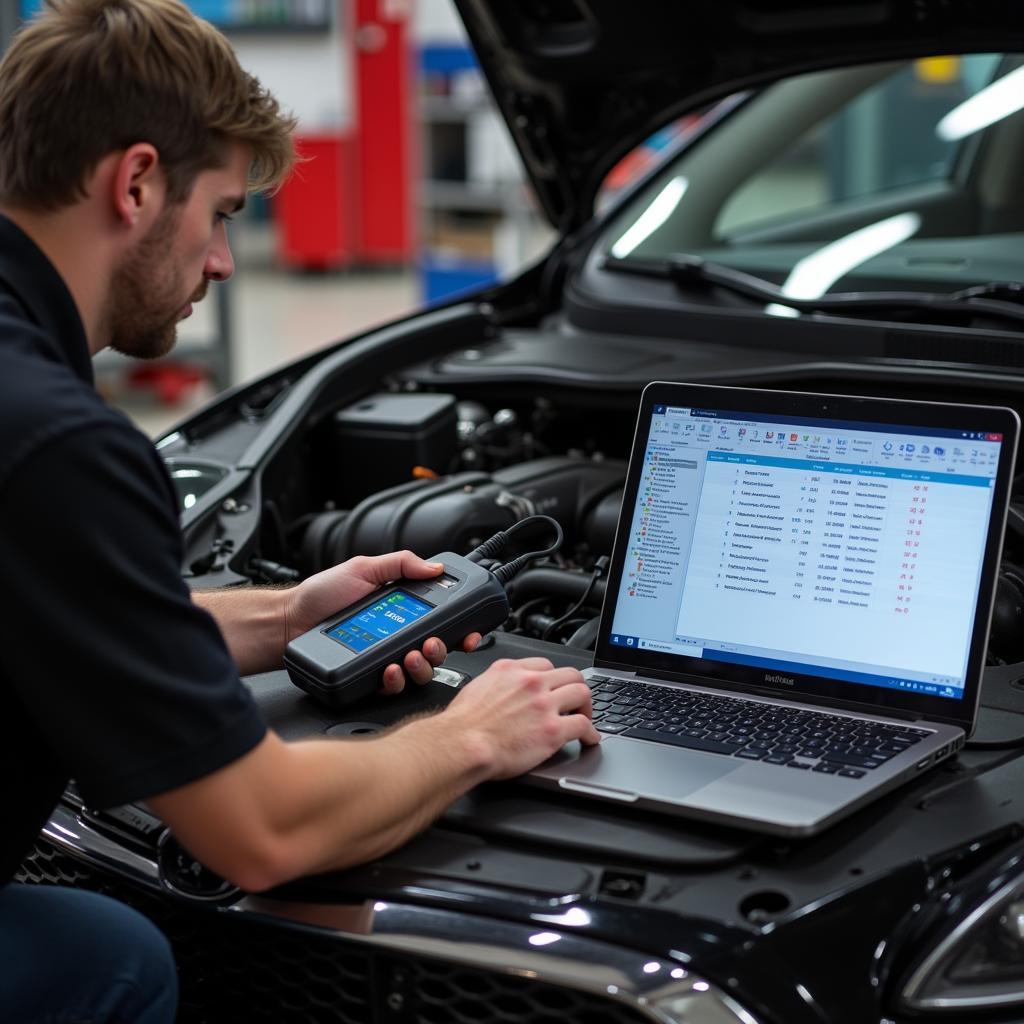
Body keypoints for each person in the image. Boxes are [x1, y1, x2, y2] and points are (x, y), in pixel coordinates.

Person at [0, 0, 601, 1019]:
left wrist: (286, 618)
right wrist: (472, 735)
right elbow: (260, 832)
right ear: (137, 181)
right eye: (225, 211)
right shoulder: (56, 445)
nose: (226, 260)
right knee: (114, 964)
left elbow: (57, 610)